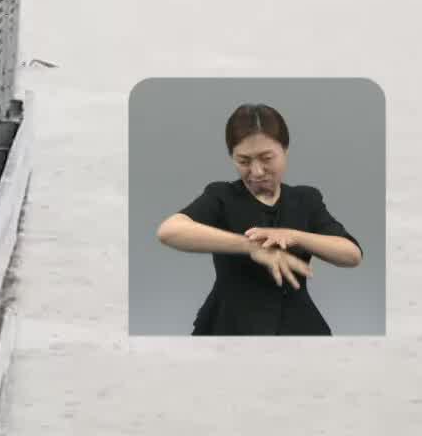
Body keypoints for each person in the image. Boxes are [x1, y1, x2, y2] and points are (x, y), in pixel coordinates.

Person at [154, 103, 363, 335]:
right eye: (243, 161)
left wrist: (294, 236)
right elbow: (170, 230)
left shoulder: (306, 199)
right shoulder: (221, 195)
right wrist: (250, 246)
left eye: (266, 158)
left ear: (285, 151)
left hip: (297, 325)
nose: (256, 171)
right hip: (230, 324)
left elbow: (351, 254)